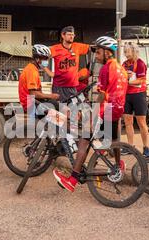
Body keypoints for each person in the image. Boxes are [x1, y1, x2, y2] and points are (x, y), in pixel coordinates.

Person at [53, 36, 128, 192]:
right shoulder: (121, 69)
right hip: (118, 109)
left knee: (83, 141)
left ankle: (72, 180)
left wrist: (93, 111)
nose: (97, 56)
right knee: (113, 139)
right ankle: (118, 165)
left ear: (108, 53)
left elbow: (101, 95)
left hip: (105, 109)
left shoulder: (106, 69)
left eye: (99, 52)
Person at [121, 43, 149, 157]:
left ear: (134, 52)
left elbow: (141, 80)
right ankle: (130, 146)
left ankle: (146, 147)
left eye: (127, 52)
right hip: (127, 95)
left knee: (141, 123)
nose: (125, 54)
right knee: (128, 122)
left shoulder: (140, 63)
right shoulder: (124, 64)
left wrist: (128, 80)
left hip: (139, 95)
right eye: (125, 52)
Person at [49, 26, 90, 102]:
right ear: (63, 35)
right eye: (69, 34)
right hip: (59, 87)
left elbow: (91, 48)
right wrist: (49, 73)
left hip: (72, 86)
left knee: (74, 109)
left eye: (73, 35)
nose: (71, 36)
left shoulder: (77, 46)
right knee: (62, 110)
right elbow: (43, 58)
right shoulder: (55, 48)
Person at [18, 44, 60, 119]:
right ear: (37, 59)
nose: (46, 61)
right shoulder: (31, 71)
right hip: (31, 105)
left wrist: (49, 97)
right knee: (58, 113)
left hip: (34, 102)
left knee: (56, 105)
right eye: (45, 58)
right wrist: (51, 96)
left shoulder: (33, 69)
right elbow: (33, 94)